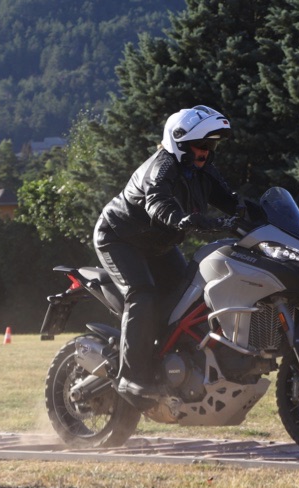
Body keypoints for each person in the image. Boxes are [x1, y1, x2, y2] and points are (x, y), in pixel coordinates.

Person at [93, 105, 240, 407]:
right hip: (120, 238)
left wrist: (262, 217)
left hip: (157, 245)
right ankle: (131, 378)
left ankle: (173, 363)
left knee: (190, 298)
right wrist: (183, 219)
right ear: (180, 142)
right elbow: (157, 203)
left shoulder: (203, 172)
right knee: (143, 295)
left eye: (211, 146)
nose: (206, 152)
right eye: (201, 145)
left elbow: (234, 203)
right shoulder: (161, 169)